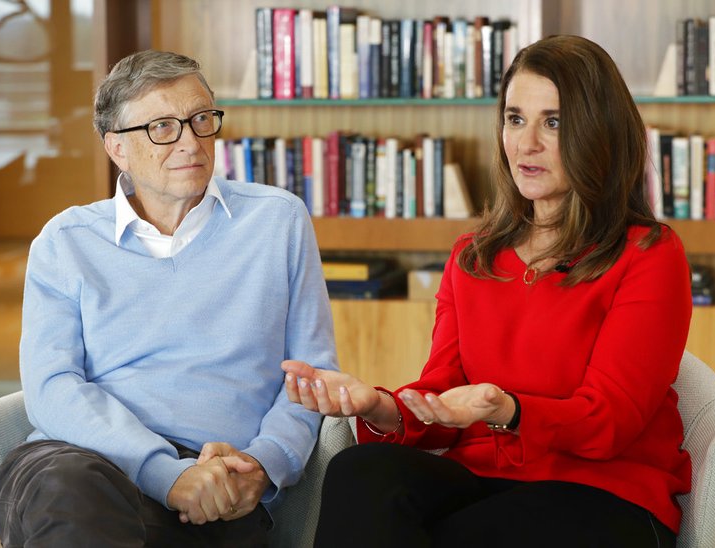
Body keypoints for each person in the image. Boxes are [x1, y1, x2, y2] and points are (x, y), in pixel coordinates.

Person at [282, 34, 692, 547]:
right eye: (515, 118)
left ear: (600, 132)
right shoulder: (473, 255)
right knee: (361, 470)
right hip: (484, 479)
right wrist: (379, 407)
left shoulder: (649, 253)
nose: (526, 144)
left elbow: (610, 420)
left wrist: (510, 409)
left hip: (605, 492)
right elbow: (442, 396)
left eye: (554, 122)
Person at [0, 50, 338, 547]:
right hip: (82, 463)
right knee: (71, 495)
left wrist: (261, 464)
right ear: (117, 149)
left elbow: (312, 374)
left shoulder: (277, 220)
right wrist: (164, 474)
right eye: (162, 128)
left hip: (216, 478)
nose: (191, 142)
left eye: (201, 119)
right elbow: (52, 387)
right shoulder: (66, 240)